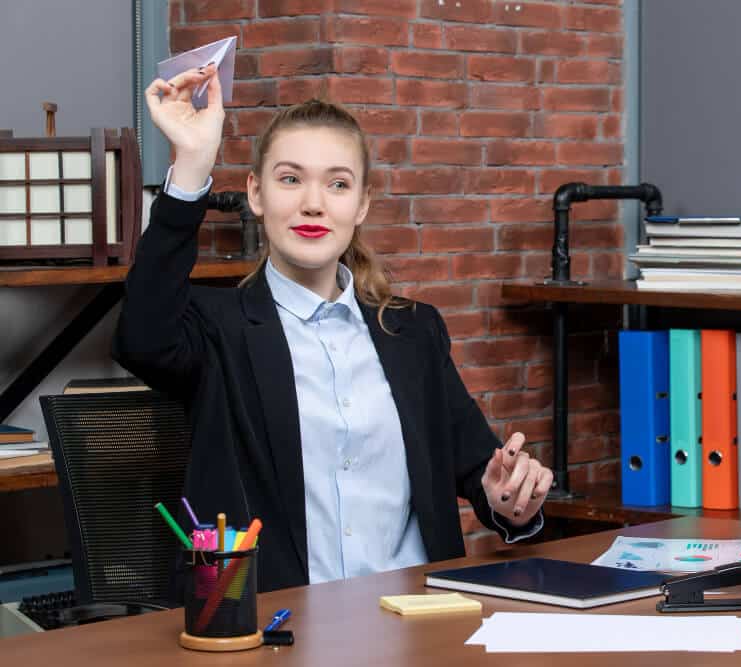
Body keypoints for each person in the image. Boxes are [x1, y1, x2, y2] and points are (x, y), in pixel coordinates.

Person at [113, 63, 554, 593]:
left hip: (415, 624)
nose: (313, 203)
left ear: (362, 203)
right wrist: (190, 168)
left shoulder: (412, 332)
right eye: (290, 179)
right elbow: (141, 336)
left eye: (338, 184)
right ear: (256, 194)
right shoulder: (218, 328)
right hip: (281, 629)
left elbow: (486, 481)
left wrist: (510, 500)